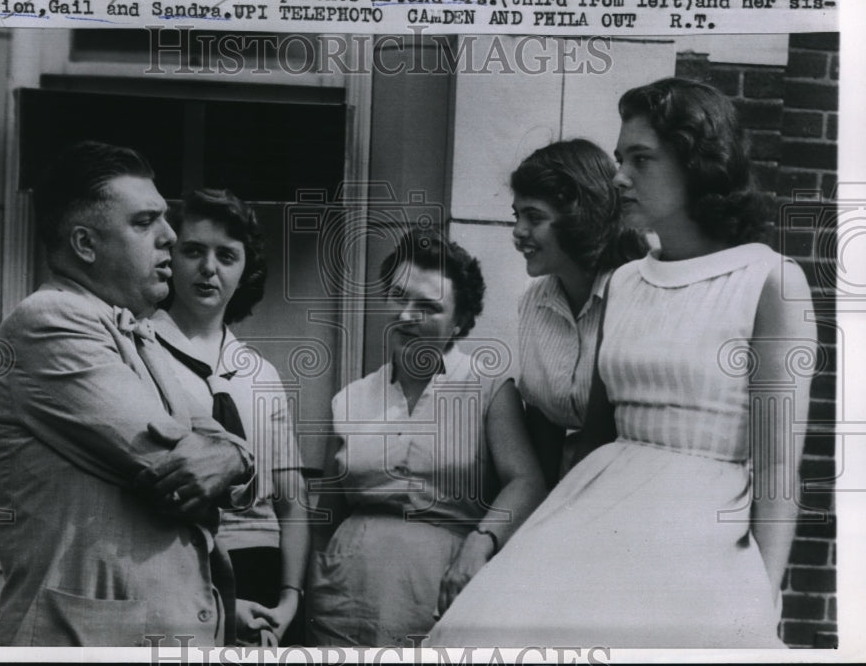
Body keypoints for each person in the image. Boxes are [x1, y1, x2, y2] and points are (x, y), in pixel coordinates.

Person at [429, 78, 815, 647]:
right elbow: (595, 436)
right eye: (618, 158)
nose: (620, 177)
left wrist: (762, 591)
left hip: (700, 543)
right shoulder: (629, 280)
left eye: (641, 159)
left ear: (697, 165)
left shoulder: (771, 281)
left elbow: (779, 471)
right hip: (598, 518)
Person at [0, 141, 255, 646]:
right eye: (144, 222)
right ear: (85, 244)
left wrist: (234, 458)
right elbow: (176, 458)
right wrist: (233, 456)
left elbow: (220, 448)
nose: (170, 238)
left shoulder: (134, 329)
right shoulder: (50, 323)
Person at [306, 226, 546, 647]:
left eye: (427, 307)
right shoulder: (351, 399)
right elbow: (326, 516)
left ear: (459, 324)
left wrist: (482, 541)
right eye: (399, 297)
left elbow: (526, 482)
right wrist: (315, 584)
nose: (405, 316)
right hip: (343, 600)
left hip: (442, 596)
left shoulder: (488, 388)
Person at [149, 189, 310, 644]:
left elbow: (292, 500)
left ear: (246, 269)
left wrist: (290, 600)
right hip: (182, 571)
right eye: (193, 251)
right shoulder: (141, 352)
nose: (209, 268)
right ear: (170, 257)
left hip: (263, 575)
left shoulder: (261, 374)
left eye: (227, 255)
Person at [510, 139, 647, 484]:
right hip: (564, 484)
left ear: (579, 219)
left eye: (534, 217)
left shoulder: (637, 295)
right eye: (517, 215)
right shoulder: (533, 299)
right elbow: (542, 421)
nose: (518, 232)